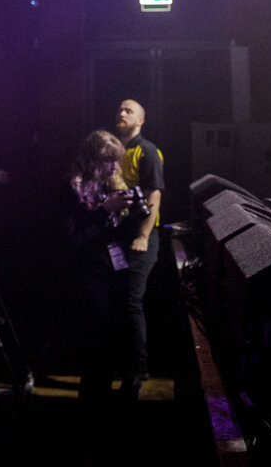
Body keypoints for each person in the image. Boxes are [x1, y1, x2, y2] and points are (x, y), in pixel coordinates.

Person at [61, 129, 139, 415]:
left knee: (111, 338)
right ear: (94, 161)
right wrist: (106, 209)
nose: (115, 167)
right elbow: (74, 233)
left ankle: (102, 400)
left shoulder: (108, 184)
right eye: (110, 161)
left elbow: (114, 228)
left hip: (113, 267)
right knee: (96, 339)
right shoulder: (73, 186)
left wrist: (130, 212)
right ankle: (90, 406)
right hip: (88, 270)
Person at [112, 99, 163, 399]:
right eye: (120, 109)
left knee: (131, 302)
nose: (122, 113)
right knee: (119, 302)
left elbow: (154, 195)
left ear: (141, 120)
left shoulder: (148, 151)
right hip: (117, 236)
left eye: (129, 110)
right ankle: (121, 365)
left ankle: (136, 371)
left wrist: (143, 235)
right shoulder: (114, 151)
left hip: (139, 236)